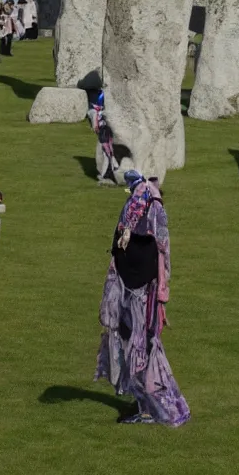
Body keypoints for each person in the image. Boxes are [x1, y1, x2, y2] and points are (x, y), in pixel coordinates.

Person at [95, 171, 190, 426]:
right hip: (126, 287)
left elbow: (163, 253)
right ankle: (143, 404)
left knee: (143, 348)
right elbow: (118, 245)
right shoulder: (131, 210)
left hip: (143, 293)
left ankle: (151, 408)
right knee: (129, 346)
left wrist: (161, 292)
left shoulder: (154, 212)